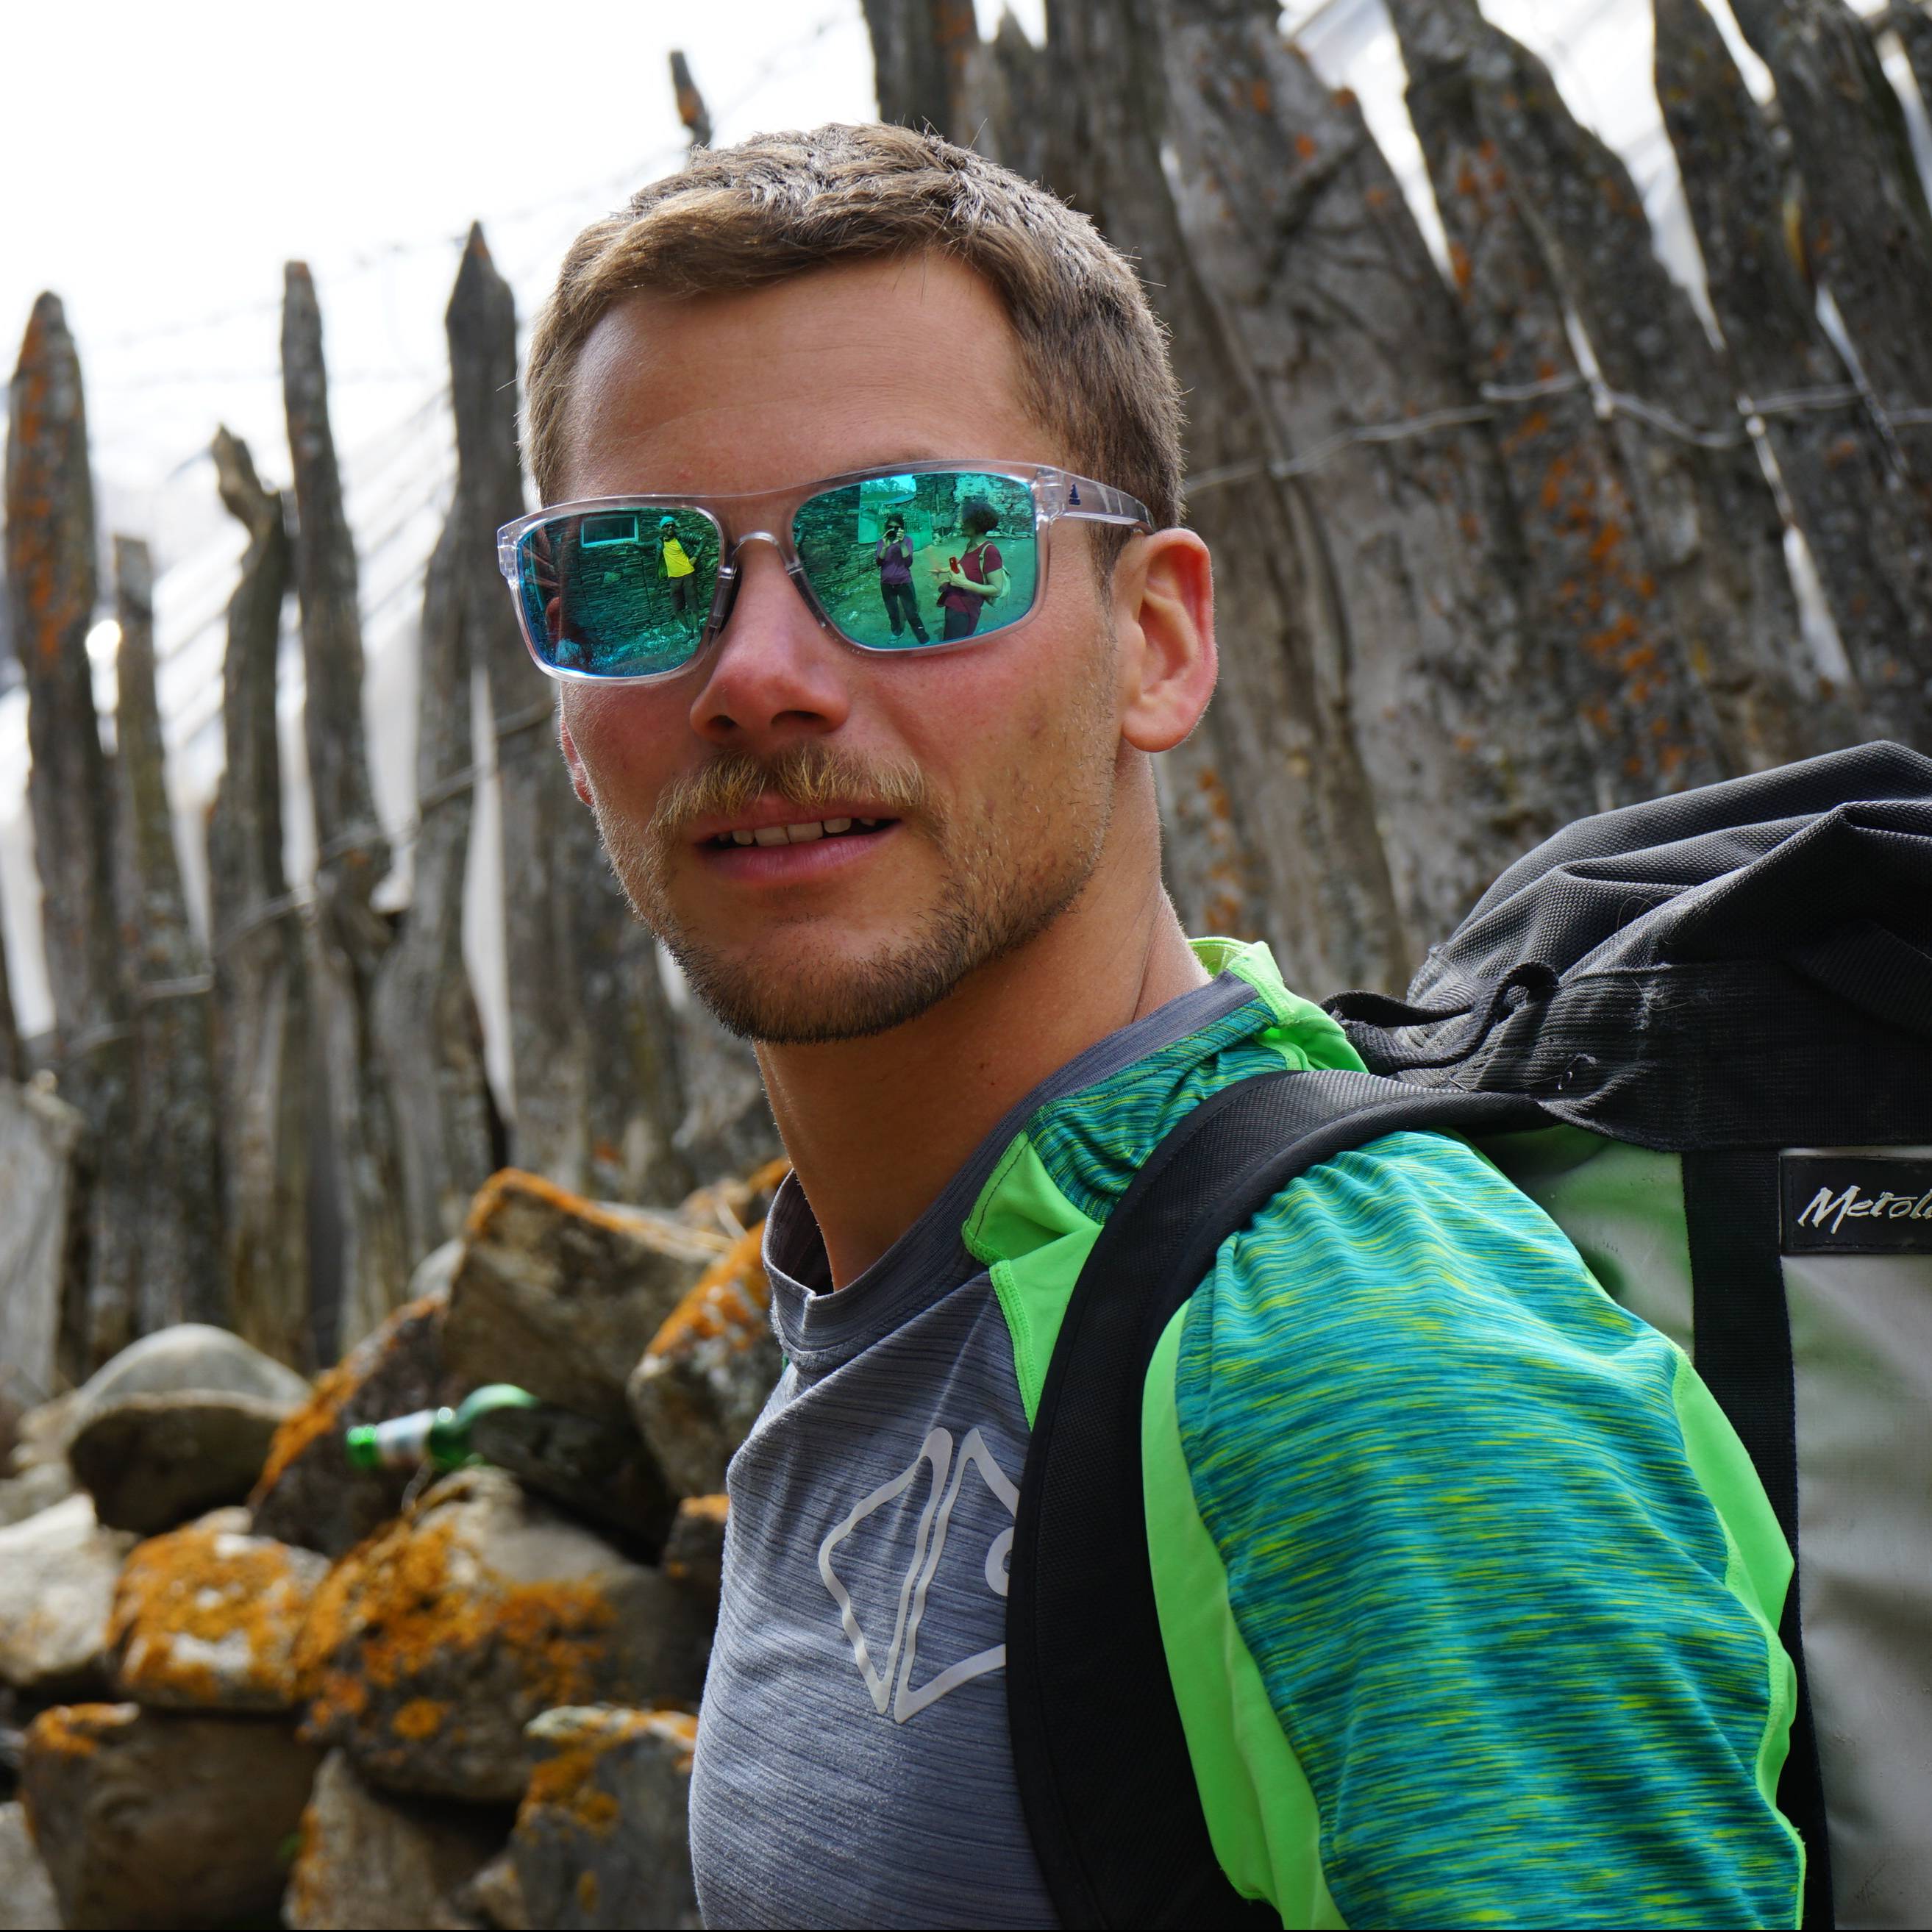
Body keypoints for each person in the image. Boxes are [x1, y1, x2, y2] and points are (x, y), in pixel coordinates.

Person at [518, 123, 1803, 1929]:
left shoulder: (1359, 1372)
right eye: (637, 577)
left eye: (917, 549)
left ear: (1156, 640)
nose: (757, 674)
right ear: (567, 699)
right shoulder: (905, 1264)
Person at [933, 496, 1008, 641]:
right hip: (953, 604)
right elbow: (963, 566)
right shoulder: (971, 545)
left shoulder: (990, 551)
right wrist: (942, 570)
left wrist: (964, 584)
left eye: (966, 520)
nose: (962, 523)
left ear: (978, 524)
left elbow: (997, 589)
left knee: (953, 649)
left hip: (965, 610)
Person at [875, 510, 928, 642]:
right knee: (892, 612)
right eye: (890, 527)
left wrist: (901, 543)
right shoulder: (881, 542)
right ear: (886, 528)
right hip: (887, 584)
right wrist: (885, 547)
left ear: (902, 529)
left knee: (911, 613)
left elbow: (908, 563)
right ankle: (897, 632)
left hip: (904, 582)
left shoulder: (907, 541)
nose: (893, 530)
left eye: (897, 527)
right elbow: (879, 563)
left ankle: (923, 638)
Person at [660, 512, 698, 626]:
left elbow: (703, 540)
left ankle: (696, 631)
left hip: (688, 575)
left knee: (693, 606)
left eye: (672, 525)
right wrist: (632, 544)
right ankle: (687, 630)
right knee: (676, 608)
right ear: (662, 528)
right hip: (673, 579)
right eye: (667, 525)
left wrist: (696, 556)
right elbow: (645, 545)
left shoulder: (681, 538)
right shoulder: (659, 542)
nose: (670, 527)